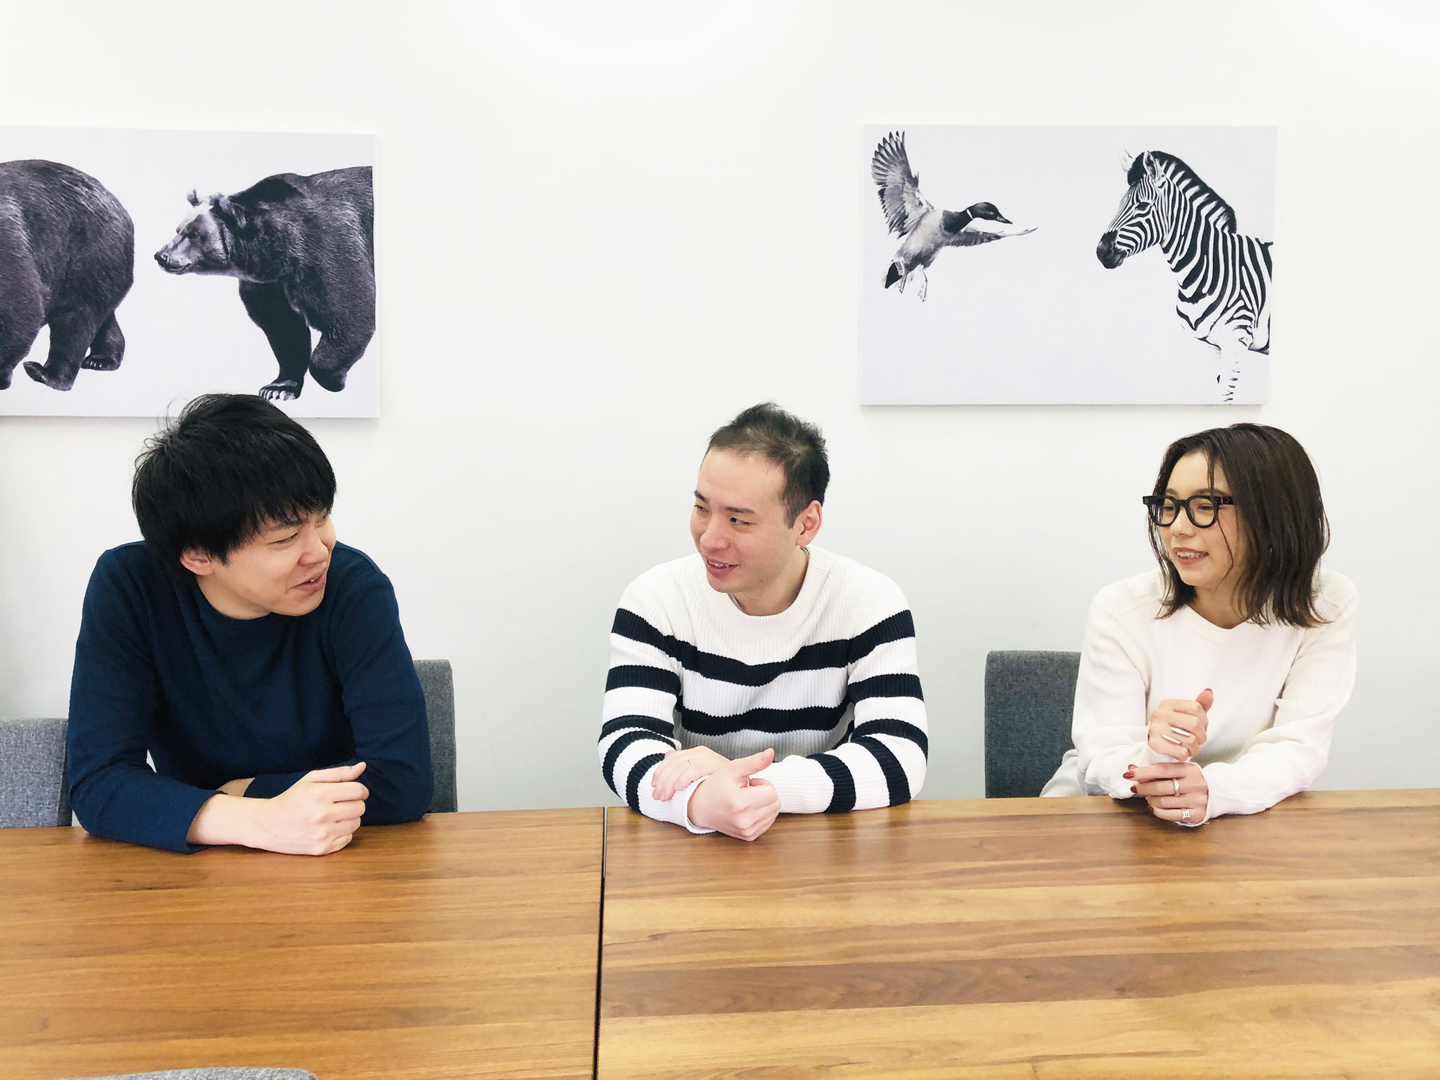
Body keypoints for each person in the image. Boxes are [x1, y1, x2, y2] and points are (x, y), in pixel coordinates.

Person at [66, 393, 432, 854]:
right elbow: (98, 783)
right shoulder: (131, 587)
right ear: (198, 556)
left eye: (322, 518)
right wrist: (257, 818)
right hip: (201, 870)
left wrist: (244, 791)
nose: (319, 551)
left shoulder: (353, 587)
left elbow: (402, 780)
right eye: (285, 537)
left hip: (343, 857)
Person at [598, 403, 928, 841]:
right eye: (701, 508)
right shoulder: (657, 600)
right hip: (693, 849)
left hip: (822, 849)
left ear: (805, 524)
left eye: (738, 520)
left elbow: (900, 757)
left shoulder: (868, 604)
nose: (710, 538)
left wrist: (759, 785)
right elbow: (625, 743)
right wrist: (701, 802)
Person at [1040, 423, 1357, 825]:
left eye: (1205, 506)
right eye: (1169, 505)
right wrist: (1158, 754)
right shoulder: (1122, 609)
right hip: (1111, 812)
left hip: (1243, 810)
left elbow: (1299, 747)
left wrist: (1214, 790)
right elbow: (1101, 762)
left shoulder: (1324, 604)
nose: (1177, 528)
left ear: (1273, 514)